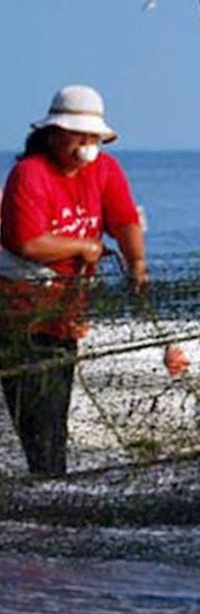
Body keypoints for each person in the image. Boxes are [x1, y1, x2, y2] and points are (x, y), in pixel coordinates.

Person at [0, 85, 149, 477]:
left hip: (66, 315)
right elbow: (29, 242)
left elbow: (124, 220)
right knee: (36, 413)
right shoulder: (28, 174)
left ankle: (50, 480)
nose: (86, 145)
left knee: (56, 409)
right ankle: (48, 484)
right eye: (78, 135)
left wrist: (136, 262)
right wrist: (85, 247)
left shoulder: (105, 170)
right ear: (53, 134)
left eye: (92, 137)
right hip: (19, 317)